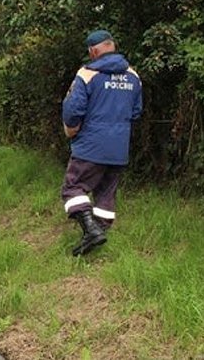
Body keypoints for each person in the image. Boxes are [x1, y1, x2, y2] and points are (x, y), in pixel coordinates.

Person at [61, 30, 143, 256]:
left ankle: (90, 230)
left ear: (94, 50)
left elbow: (73, 111)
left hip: (90, 146)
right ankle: (93, 237)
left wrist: (71, 129)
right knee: (105, 192)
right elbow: (136, 112)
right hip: (119, 147)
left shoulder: (87, 74)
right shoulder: (133, 76)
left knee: (73, 187)